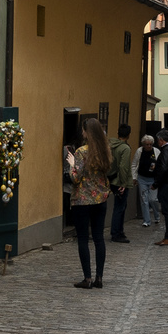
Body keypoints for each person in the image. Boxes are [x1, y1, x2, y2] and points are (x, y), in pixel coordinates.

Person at [70, 118, 112, 287]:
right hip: (100, 199)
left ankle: (87, 278)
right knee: (99, 238)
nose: (82, 133)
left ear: (88, 132)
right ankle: (99, 278)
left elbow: (76, 177)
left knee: (82, 239)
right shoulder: (105, 151)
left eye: (83, 130)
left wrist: (72, 164)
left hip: (82, 199)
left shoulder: (81, 152)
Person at [109, 122, 134, 243]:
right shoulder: (125, 148)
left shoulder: (111, 145)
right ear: (129, 135)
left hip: (111, 179)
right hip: (120, 181)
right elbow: (123, 167)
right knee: (120, 207)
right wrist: (123, 183)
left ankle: (118, 231)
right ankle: (116, 233)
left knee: (118, 207)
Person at [135, 135, 159, 228]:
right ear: (143, 145)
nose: (149, 146)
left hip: (153, 179)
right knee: (144, 200)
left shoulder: (156, 151)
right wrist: (134, 177)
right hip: (142, 178)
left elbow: (160, 164)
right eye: (147, 144)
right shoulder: (139, 151)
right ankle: (146, 220)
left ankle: (157, 215)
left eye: (150, 144)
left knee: (153, 199)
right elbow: (135, 164)